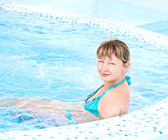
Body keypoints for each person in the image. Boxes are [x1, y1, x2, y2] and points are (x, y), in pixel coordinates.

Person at [0, 39, 131, 125]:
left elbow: (99, 132)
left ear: (125, 66)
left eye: (111, 63)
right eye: (101, 61)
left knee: (18, 106)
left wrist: (59, 118)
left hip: (67, 121)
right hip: (73, 114)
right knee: (20, 102)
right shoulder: (118, 83)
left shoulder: (113, 96)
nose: (103, 68)